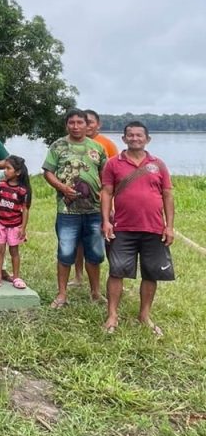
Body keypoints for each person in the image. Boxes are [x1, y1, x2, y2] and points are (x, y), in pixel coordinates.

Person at [100, 121, 175, 336]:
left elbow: (167, 195)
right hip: (122, 227)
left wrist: (169, 226)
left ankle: (144, 315)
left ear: (147, 139)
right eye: (130, 135)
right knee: (117, 271)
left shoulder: (158, 164)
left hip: (153, 228)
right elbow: (106, 192)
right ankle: (112, 315)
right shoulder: (113, 164)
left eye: (139, 135)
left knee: (151, 272)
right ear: (124, 139)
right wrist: (106, 221)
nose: (134, 138)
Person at [43, 108, 107, 308]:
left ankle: (95, 292)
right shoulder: (58, 146)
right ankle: (62, 294)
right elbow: (48, 172)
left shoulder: (97, 147)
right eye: (72, 123)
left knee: (95, 254)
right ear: (66, 125)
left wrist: (108, 203)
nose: (76, 126)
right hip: (67, 211)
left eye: (80, 122)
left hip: (94, 210)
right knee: (65, 252)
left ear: (87, 125)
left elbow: (106, 177)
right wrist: (62, 187)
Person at [70, 109, 120, 287]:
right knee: (78, 241)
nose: (87, 126)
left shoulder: (107, 145)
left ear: (98, 125)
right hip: (77, 202)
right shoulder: (72, 143)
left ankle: (115, 275)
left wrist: (112, 204)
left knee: (107, 240)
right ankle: (78, 276)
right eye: (84, 122)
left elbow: (116, 174)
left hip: (102, 202)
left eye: (90, 122)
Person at [0, 156, 30, 289]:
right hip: (0, 224)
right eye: (4, 168)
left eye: (8, 168)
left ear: (18, 172)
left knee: (14, 251)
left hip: (15, 225)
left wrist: (23, 228)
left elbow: (25, 210)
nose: (5, 171)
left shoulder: (23, 190)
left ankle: (16, 277)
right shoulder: (1, 185)